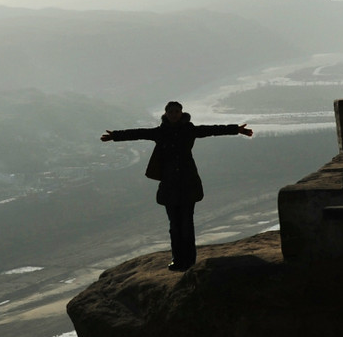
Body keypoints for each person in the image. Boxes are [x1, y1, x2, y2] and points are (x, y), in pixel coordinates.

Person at [101, 102, 253, 271]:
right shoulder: (160, 132)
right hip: (169, 185)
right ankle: (178, 260)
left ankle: (189, 261)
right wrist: (115, 136)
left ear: (181, 113)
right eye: (171, 111)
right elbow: (139, 133)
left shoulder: (189, 130)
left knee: (186, 224)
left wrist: (236, 129)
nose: (174, 114)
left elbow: (212, 130)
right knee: (175, 226)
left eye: (176, 111)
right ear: (166, 113)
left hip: (188, 183)